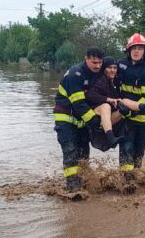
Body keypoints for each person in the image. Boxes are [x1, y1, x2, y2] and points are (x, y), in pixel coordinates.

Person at [53, 47, 104, 192]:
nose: (98, 66)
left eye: (100, 63)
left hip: (81, 120)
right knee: (70, 151)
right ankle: (73, 188)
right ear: (86, 59)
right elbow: (79, 103)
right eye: (94, 62)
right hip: (65, 118)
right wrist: (94, 121)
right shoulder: (75, 75)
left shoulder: (97, 74)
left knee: (84, 152)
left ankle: (84, 182)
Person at [117, 33, 145, 172]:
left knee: (138, 157)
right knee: (125, 151)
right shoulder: (120, 65)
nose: (136, 51)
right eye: (134, 48)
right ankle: (126, 184)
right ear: (128, 50)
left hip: (143, 121)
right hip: (125, 119)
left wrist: (131, 108)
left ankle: (136, 180)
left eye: (140, 48)